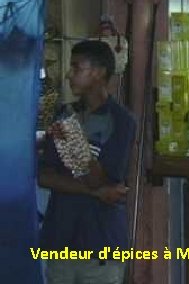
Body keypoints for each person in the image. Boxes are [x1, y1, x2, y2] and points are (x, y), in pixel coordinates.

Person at [38, 40, 136, 284]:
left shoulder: (122, 121)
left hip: (99, 247)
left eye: (76, 67)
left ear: (99, 72)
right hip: (60, 243)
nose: (69, 75)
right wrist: (95, 192)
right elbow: (45, 177)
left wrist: (75, 137)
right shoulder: (63, 114)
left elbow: (101, 179)